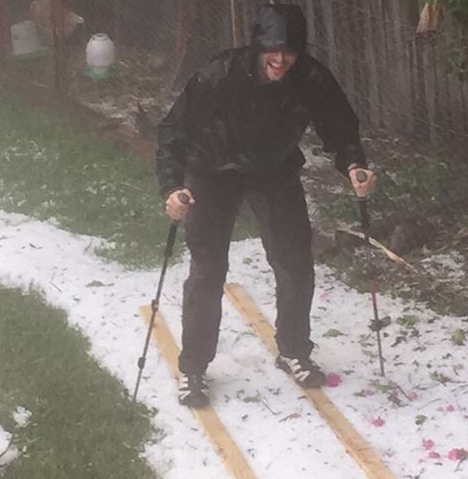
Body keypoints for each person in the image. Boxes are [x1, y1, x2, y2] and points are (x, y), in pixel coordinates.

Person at [155, 4, 377, 408]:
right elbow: (173, 130)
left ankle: (293, 349)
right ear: (257, 47)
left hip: (274, 171)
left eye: (289, 51)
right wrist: (171, 187)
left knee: (294, 261)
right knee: (208, 270)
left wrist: (354, 164)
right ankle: (194, 369)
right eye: (273, 50)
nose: (280, 59)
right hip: (212, 171)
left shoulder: (311, 78)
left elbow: (340, 127)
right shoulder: (219, 75)